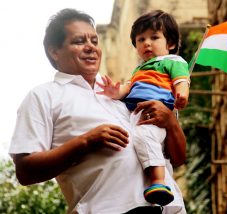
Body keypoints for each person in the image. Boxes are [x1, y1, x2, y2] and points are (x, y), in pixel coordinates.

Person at [9, 8, 186, 214]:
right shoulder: (44, 96)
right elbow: (25, 172)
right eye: (79, 41)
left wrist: (171, 122)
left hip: (169, 208)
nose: (91, 47)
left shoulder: (123, 94)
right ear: (54, 51)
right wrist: (87, 141)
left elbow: (178, 159)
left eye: (94, 41)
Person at [96, 10, 189, 206]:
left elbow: (182, 80)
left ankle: (158, 181)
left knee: (145, 135)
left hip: (156, 116)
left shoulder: (173, 61)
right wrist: (114, 91)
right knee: (138, 138)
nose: (147, 43)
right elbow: (127, 88)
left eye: (154, 37)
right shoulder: (140, 70)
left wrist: (181, 94)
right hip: (137, 115)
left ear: (170, 44)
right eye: (141, 39)